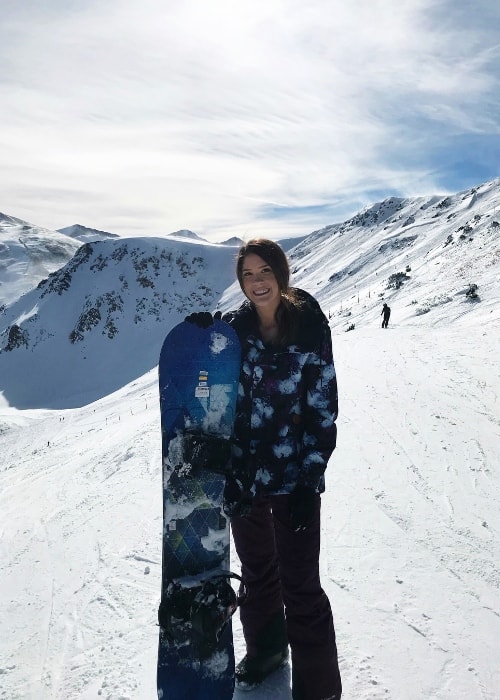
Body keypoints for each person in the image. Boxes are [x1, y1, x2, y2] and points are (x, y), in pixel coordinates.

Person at [187, 239, 342, 700]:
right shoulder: (234, 332)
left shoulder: (310, 328)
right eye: (248, 275)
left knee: (302, 586)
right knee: (257, 572)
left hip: (294, 480)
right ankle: (267, 652)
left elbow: (323, 407)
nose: (257, 282)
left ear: (281, 273)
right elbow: (210, 391)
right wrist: (200, 342)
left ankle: (319, 690)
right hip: (246, 479)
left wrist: (309, 481)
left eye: (264, 272)